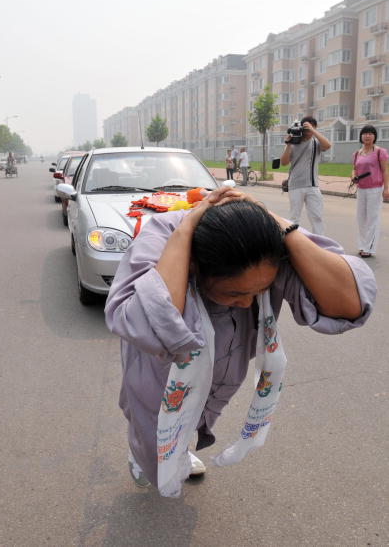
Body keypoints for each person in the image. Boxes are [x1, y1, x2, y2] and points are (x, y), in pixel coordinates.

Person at [105, 186, 376, 497]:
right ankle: (139, 453)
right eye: (234, 293)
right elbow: (148, 325)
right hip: (158, 374)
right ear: (197, 267)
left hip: (222, 368)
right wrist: (184, 235)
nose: (249, 304)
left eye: (258, 291)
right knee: (151, 434)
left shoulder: (264, 241)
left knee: (194, 418)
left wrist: (280, 226)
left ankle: (180, 448)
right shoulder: (164, 236)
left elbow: (348, 303)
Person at [280, 116, 331, 234]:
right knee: (294, 219)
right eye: (306, 128)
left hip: (312, 186)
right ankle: (294, 244)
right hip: (295, 185)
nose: (308, 132)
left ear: (315, 128)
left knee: (316, 217)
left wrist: (313, 131)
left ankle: (319, 244)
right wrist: (288, 144)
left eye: (311, 128)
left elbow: (328, 146)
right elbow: (284, 162)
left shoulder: (316, 142)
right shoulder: (293, 142)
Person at [351, 124, 389, 257]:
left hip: (375, 189)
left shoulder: (380, 152)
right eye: (365, 133)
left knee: (372, 219)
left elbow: (385, 171)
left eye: (370, 133)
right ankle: (362, 245)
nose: (367, 135)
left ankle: (369, 248)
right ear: (361, 136)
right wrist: (353, 177)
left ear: (374, 136)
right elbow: (354, 169)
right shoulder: (357, 153)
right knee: (361, 218)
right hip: (361, 189)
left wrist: (386, 188)